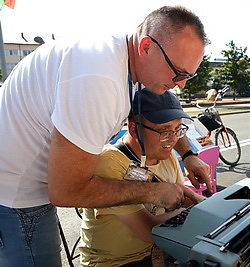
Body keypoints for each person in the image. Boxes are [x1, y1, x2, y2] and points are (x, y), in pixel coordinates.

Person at [0, 6, 210, 266]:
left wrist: (187, 153)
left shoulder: (128, 60)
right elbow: (67, 190)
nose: (181, 84)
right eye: (178, 73)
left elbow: (167, 118)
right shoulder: (99, 81)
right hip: (15, 196)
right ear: (146, 47)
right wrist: (153, 192)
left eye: (189, 75)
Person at [79, 88, 205, 267]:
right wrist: (189, 213)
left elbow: (180, 200)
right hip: (117, 262)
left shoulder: (166, 155)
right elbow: (148, 230)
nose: (172, 139)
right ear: (134, 129)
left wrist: (209, 206)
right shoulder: (110, 162)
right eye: (164, 131)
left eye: (178, 130)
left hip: (159, 251)